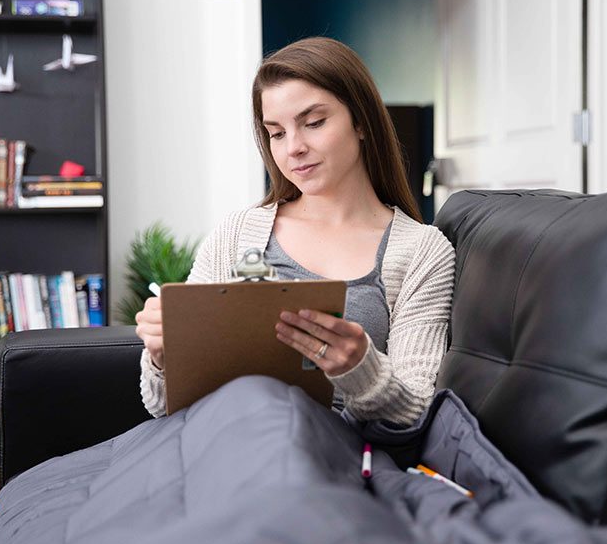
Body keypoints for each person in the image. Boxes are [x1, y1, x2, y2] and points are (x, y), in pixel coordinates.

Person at [136, 37, 455, 426]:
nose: (294, 148)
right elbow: (160, 406)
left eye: (314, 123)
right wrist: (163, 356)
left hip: (322, 453)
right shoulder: (237, 233)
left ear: (361, 122)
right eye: (277, 133)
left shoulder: (422, 251)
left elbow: (417, 412)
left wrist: (361, 368)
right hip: (219, 439)